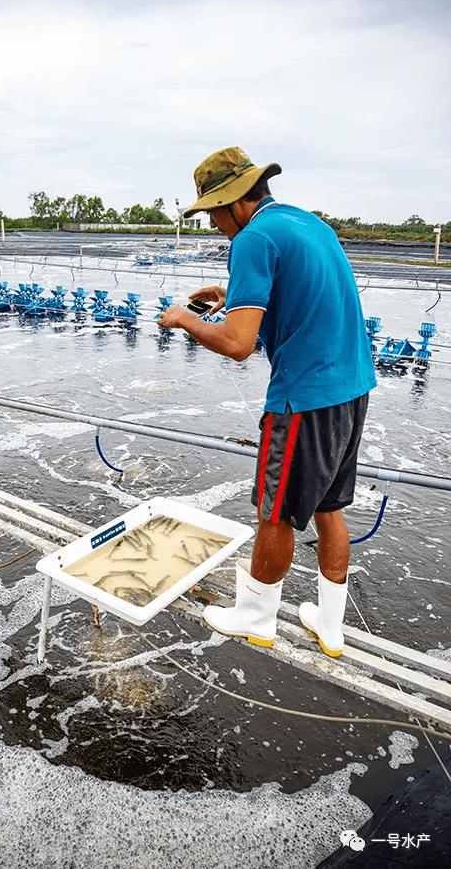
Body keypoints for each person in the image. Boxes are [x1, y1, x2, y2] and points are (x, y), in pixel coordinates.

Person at [157, 146, 376, 657]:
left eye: (212, 210)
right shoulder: (307, 223)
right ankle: (330, 624)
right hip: (352, 386)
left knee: (274, 513)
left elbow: (237, 345)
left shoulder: (251, 238)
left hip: (305, 399)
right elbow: (296, 288)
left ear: (234, 201)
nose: (211, 222)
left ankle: (255, 617)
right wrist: (232, 293)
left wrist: (185, 319)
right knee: (329, 505)